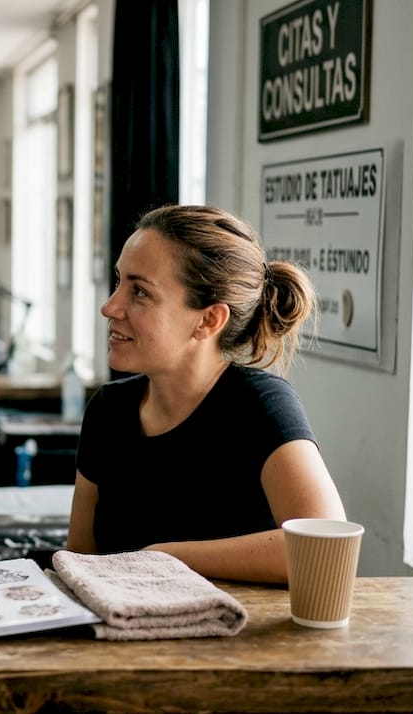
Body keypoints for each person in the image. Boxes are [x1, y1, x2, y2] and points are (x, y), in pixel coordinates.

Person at [67, 204, 345, 583]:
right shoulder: (107, 410)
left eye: (140, 292)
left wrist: (166, 556)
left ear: (208, 320)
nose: (110, 306)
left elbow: (326, 548)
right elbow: (80, 559)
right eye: (119, 282)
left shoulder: (261, 407)